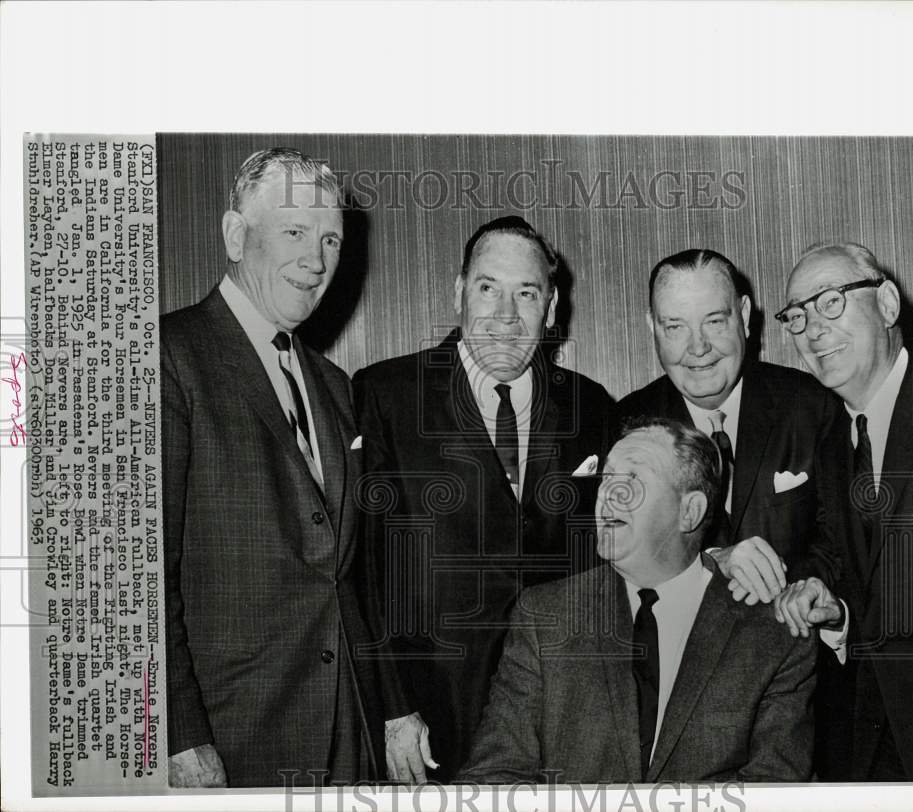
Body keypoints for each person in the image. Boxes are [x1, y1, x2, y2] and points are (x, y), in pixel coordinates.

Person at [162, 148, 429, 787]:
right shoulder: (166, 358)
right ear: (235, 235)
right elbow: (140, 576)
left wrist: (389, 708)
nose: (315, 260)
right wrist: (177, 734)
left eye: (330, 238)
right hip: (229, 738)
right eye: (294, 232)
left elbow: (346, 572)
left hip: (345, 731)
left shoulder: (334, 385)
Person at [353, 216, 614, 781]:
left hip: (555, 718)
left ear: (551, 307)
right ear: (458, 293)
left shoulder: (593, 407)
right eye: (487, 288)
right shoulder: (386, 395)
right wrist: (395, 708)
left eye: (526, 293)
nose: (505, 315)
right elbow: (364, 570)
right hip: (428, 715)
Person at [458, 417, 817, 784]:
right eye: (607, 478)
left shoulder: (773, 633)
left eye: (634, 480)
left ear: (689, 511)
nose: (609, 495)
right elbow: (494, 777)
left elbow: (774, 792)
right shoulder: (546, 616)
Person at [774, 241, 913, 780]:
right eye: (797, 316)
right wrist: (826, 598)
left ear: (886, 304)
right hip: (863, 752)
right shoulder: (831, 441)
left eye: (831, 301)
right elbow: (848, 560)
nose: (812, 330)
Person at [616, 249, 842, 605]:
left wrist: (794, 591)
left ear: (745, 315)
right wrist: (710, 564)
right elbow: (620, 564)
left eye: (715, 322)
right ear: (652, 328)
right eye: (675, 327)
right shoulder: (625, 426)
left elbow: (841, 545)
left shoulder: (811, 405)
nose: (698, 347)